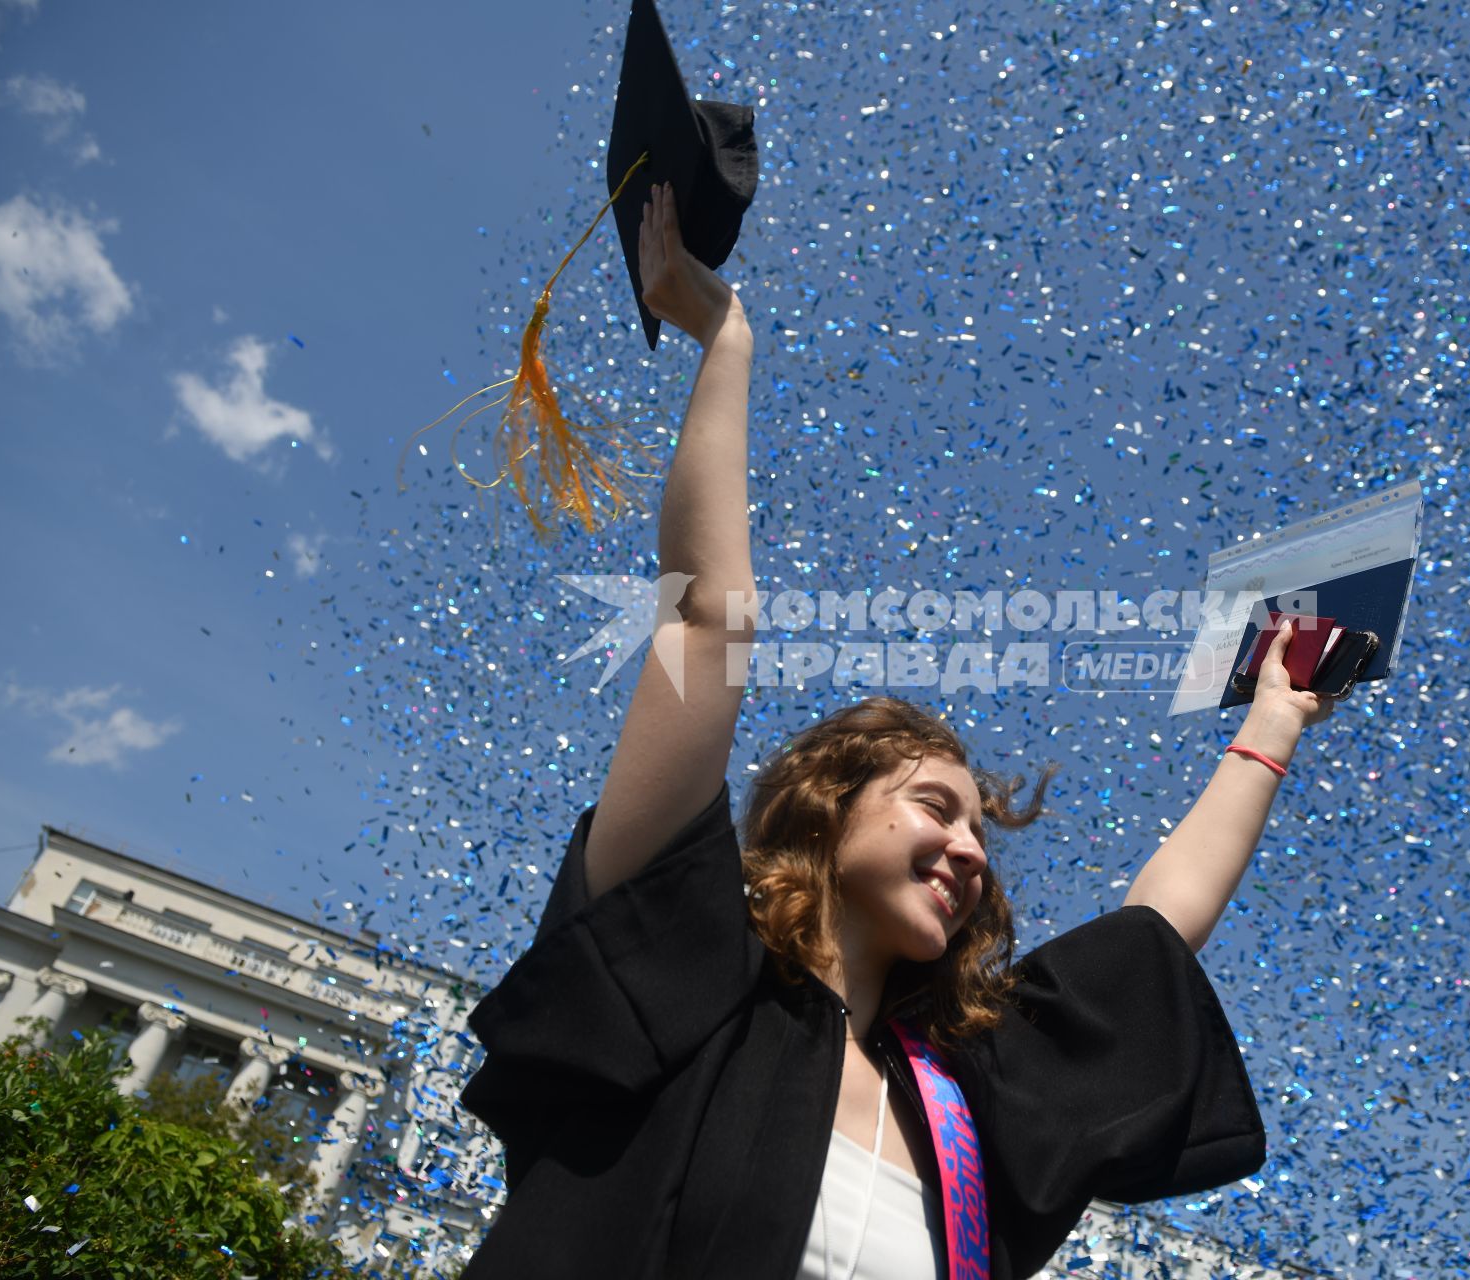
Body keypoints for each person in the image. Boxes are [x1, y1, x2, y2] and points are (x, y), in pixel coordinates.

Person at [458, 182, 1337, 1280]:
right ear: (828, 809)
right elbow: (707, 618)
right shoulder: (685, 975)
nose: (973, 848)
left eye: (979, 830)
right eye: (937, 805)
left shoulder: (966, 1097)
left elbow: (1156, 928)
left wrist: (1276, 715)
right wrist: (724, 339)